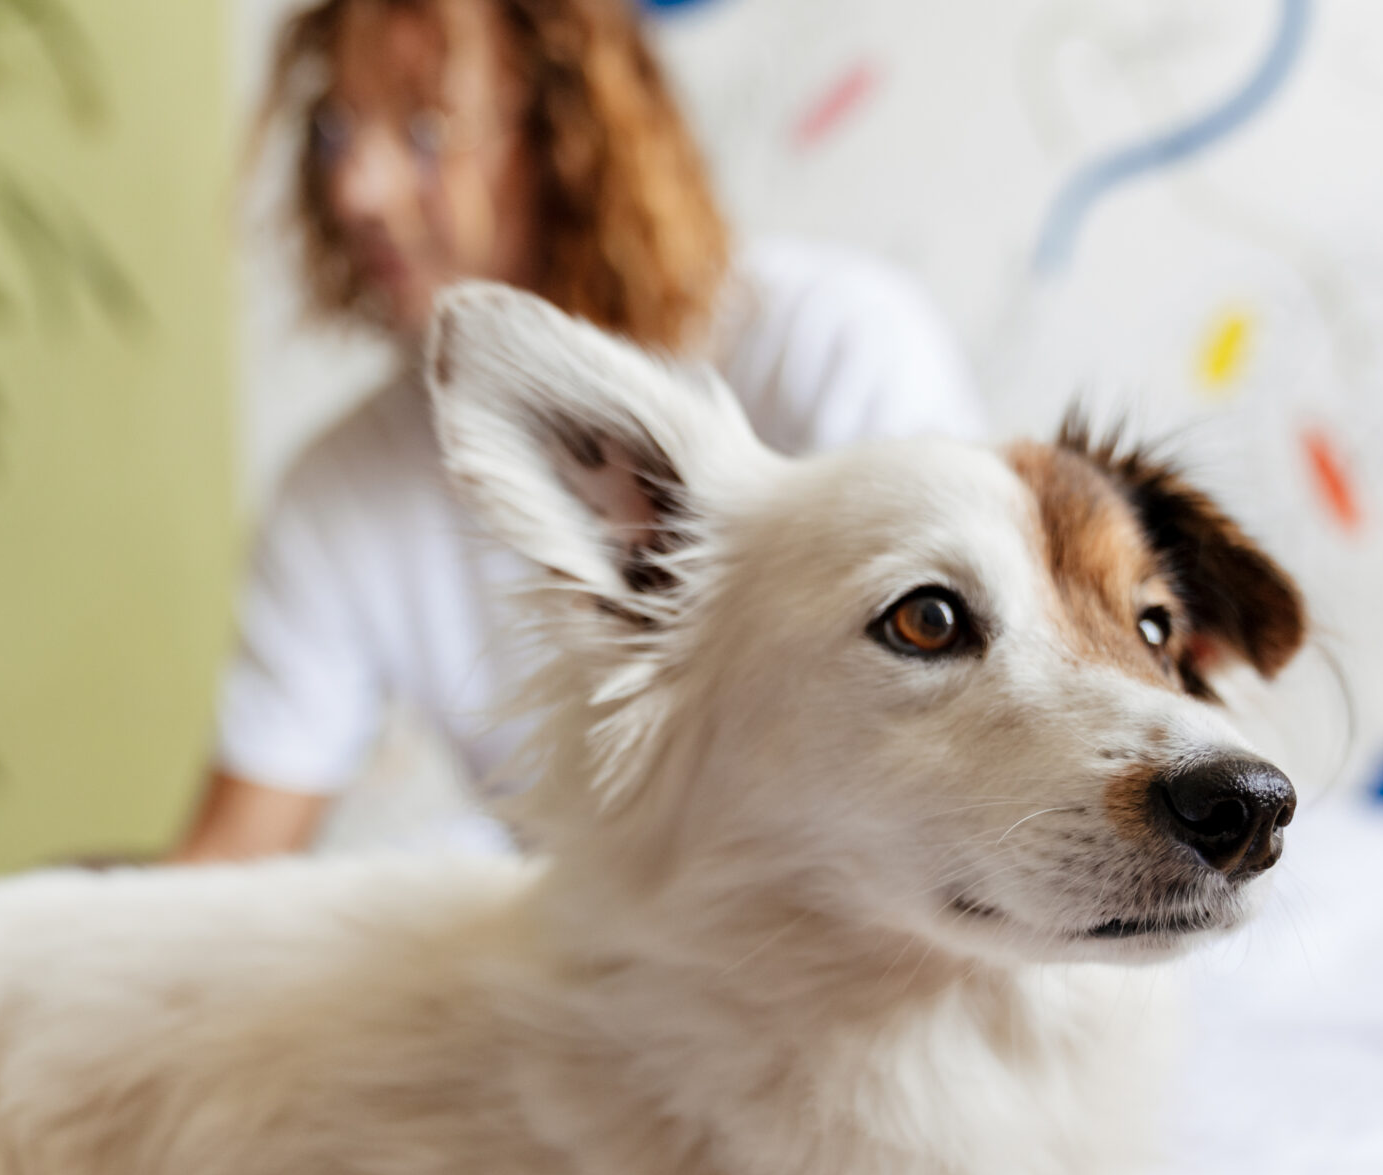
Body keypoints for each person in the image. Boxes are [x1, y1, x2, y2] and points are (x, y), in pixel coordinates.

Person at [172, 0, 985, 861]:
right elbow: (229, 859)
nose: (355, 189)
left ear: (569, 134)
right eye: (337, 132)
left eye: (425, 125)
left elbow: (975, 752)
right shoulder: (339, 493)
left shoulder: (836, 350)